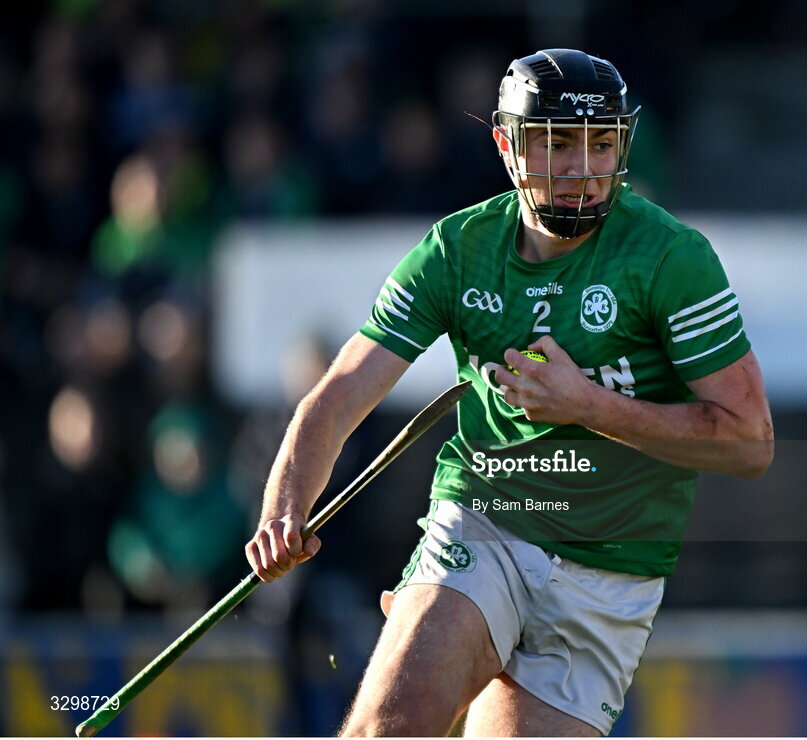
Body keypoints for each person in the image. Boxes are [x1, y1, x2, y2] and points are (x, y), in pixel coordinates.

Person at [245, 48, 773, 737]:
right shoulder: (455, 250)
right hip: (486, 523)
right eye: (556, 143)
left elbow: (749, 442)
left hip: (610, 579)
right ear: (506, 143)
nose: (584, 169)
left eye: (602, 143)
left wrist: (586, 406)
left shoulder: (673, 259)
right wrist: (284, 510)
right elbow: (340, 392)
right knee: (389, 727)